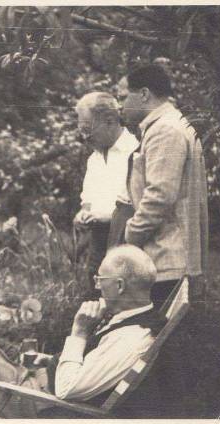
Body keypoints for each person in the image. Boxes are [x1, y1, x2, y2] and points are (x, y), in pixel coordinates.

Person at [0, 245, 162, 418]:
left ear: (120, 286)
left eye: (100, 279)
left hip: (47, 408)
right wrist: (52, 360)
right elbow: (88, 367)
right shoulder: (126, 321)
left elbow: (67, 389)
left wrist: (79, 332)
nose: (97, 286)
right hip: (42, 388)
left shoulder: (134, 337)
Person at [117, 64, 208, 308]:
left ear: (144, 94)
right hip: (170, 256)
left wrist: (130, 236)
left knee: (162, 336)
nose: (119, 106)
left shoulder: (165, 130)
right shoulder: (170, 124)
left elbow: (159, 196)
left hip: (168, 258)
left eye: (123, 97)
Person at [74, 92, 140, 296]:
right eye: (81, 130)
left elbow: (138, 202)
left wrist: (108, 216)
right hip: (98, 239)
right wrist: (83, 213)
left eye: (87, 129)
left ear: (110, 121)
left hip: (125, 239)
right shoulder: (94, 157)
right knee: (93, 293)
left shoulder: (135, 152)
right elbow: (89, 198)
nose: (84, 137)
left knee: (120, 295)